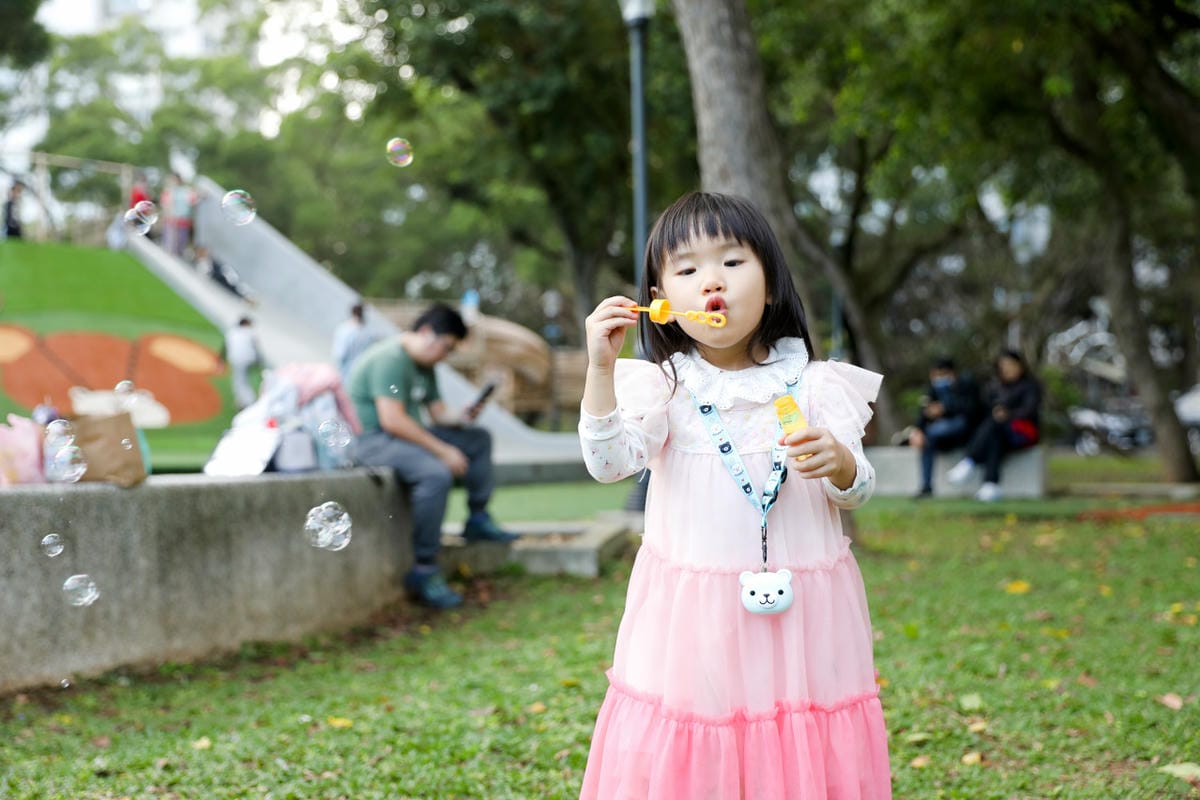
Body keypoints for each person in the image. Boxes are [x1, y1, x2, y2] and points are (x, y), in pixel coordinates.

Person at [577, 192, 891, 798]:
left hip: (804, 618)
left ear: (771, 285)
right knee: (705, 739)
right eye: (688, 269)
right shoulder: (662, 388)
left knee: (797, 733)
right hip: (694, 622)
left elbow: (858, 491)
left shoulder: (818, 385)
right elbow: (609, 464)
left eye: (732, 262)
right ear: (662, 301)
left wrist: (843, 465)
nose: (711, 281)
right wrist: (599, 371)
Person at [347, 303, 518, 610]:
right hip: (372, 441)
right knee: (435, 473)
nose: (446, 356)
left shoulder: (424, 367)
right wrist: (443, 450)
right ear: (426, 333)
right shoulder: (389, 359)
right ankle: (424, 568)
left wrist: (463, 415)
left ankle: (477, 519)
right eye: (446, 347)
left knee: (477, 439)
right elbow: (392, 420)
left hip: (400, 435)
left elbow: (438, 415)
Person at [946, 349, 1042, 502]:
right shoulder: (994, 387)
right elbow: (984, 410)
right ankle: (990, 486)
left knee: (995, 425)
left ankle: (969, 461)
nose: (1007, 368)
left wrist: (1008, 414)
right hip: (999, 433)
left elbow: (1029, 410)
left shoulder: (1030, 386)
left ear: (1020, 365)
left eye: (1010, 364)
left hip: (1023, 431)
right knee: (994, 437)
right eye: (1003, 365)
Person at [908, 356, 982, 498]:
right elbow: (924, 411)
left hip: (966, 432)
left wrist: (945, 409)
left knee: (941, 429)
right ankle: (926, 486)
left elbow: (973, 410)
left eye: (941, 374)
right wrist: (918, 431)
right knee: (927, 440)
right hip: (940, 435)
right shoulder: (933, 389)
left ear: (951, 373)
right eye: (934, 375)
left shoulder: (967, 384)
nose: (938, 379)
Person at [332, 302, 379, 382]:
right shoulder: (367, 332)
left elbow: (340, 354)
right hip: (360, 371)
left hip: (346, 372)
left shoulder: (344, 329)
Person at [221, 316, 262, 409]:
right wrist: (259, 361)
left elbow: (225, 347)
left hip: (238, 359)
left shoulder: (233, 332)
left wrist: (221, 360)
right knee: (242, 380)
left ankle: (249, 402)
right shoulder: (250, 332)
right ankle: (243, 401)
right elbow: (256, 348)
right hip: (249, 359)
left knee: (239, 382)